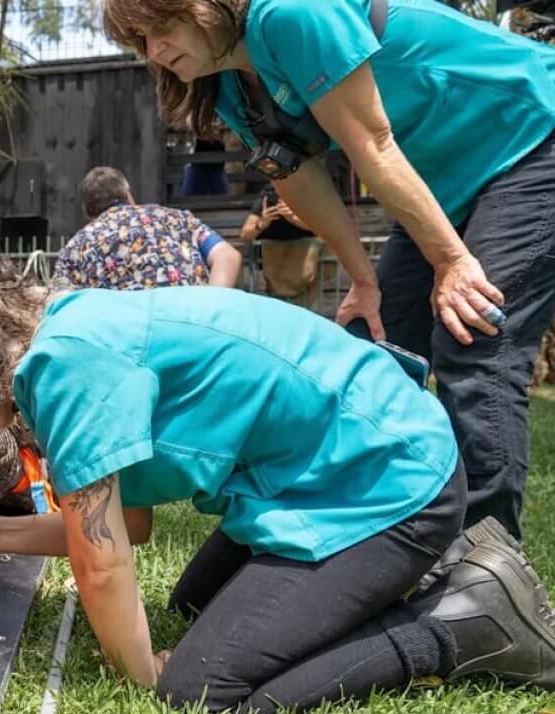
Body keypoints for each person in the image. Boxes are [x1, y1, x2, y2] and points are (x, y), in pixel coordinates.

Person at [0, 249, 555, 714]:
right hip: (331, 463)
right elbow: (128, 525)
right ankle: (390, 575)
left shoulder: (63, 371)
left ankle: (465, 619)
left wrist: (141, 674)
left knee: (198, 688)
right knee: (196, 603)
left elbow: (103, 560)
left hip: (389, 478)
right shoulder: (65, 333)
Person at [100, 0, 555, 542]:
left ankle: (488, 569)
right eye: (141, 43)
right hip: (446, 182)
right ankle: (364, 527)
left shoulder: (290, 12)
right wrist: (365, 282)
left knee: (474, 331)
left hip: (530, 134)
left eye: (161, 28)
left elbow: (373, 144)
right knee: (375, 346)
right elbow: (298, 178)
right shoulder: (224, 85)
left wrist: (452, 262)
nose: (155, 52)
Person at [53, 166, 242, 290]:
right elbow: (228, 256)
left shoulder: (76, 246)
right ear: (129, 196)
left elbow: (57, 300)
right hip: (188, 330)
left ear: (88, 213)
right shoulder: (177, 218)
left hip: (125, 344)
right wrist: (208, 312)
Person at [239, 183, 321, 307]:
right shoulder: (267, 197)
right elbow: (245, 235)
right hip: (273, 261)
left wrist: (293, 217)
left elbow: (322, 228)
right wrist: (262, 223)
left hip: (307, 261)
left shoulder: (306, 194)